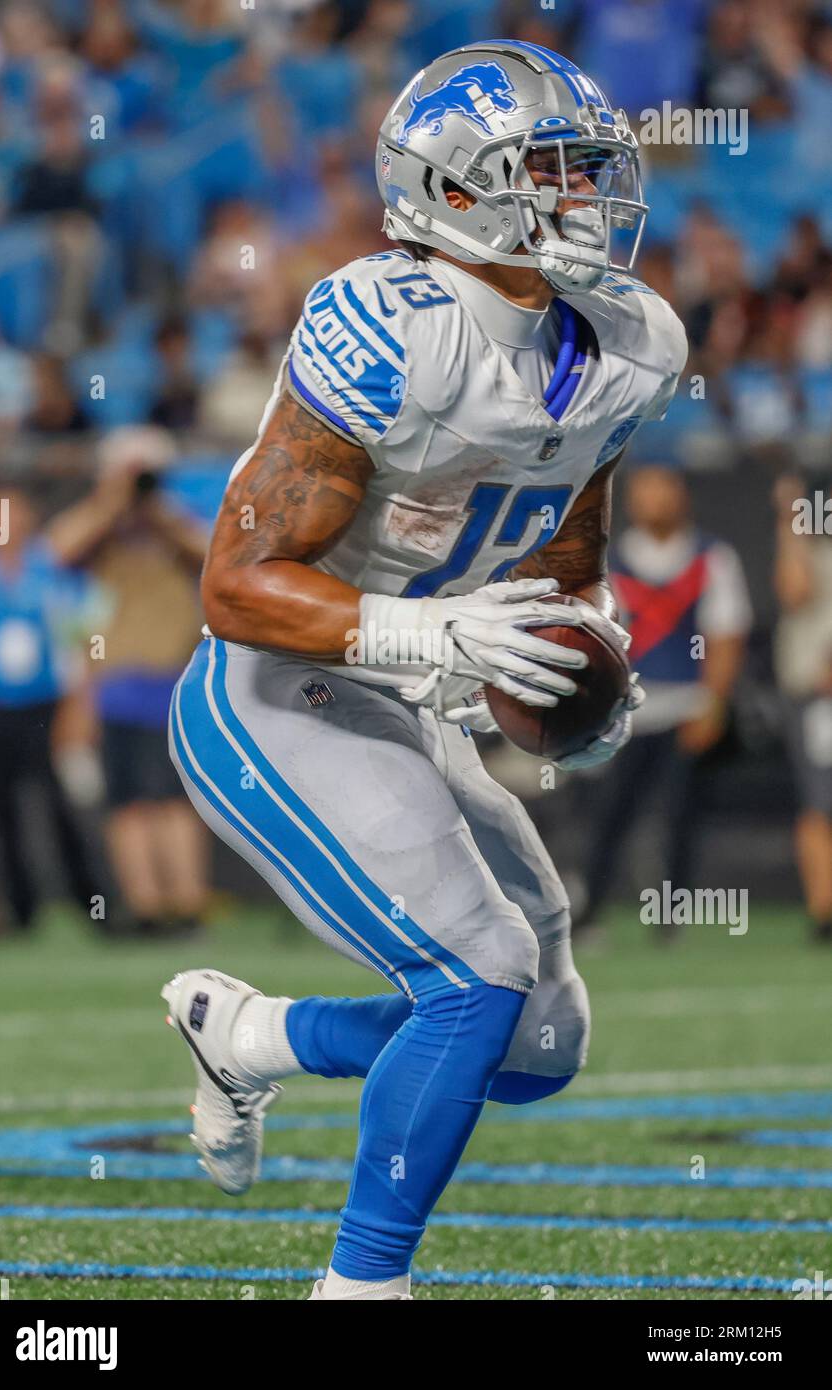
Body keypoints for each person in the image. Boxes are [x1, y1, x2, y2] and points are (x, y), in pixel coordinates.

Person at [160, 41, 687, 1300]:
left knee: (541, 1035)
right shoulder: (390, 324)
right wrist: (433, 634)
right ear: (449, 190)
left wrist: (584, 651)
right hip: (268, 690)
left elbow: (564, 537)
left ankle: (250, 1035)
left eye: (589, 167)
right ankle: (362, 1288)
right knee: (476, 973)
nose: (585, 196)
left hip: (399, 691)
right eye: (548, 170)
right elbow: (233, 587)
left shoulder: (630, 341)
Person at [574, 463, 752, 934]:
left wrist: (713, 704)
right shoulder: (610, 559)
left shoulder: (712, 557)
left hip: (686, 707)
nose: (655, 500)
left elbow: (725, 636)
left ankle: (671, 917)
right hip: (626, 712)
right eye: (645, 490)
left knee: (679, 817)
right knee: (610, 814)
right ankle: (590, 908)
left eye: (664, 489)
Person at [47, 426, 209, 937]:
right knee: (128, 802)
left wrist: (157, 509)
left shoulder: (175, 524)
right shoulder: (103, 530)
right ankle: (144, 909)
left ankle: (186, 907)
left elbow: (212, 554)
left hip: (172, 676)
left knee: (173, 800)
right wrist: (112, 501)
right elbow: (57, 550)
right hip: (117, 679)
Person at [0, 488, 104, 929]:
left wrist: (79, 705)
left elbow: (81, 640)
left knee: (62, 806)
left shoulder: (51, 571)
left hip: (49, 705)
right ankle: (18, 910)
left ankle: (96, 906)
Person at [774, 473, 832, 943]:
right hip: (817, 696)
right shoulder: (810, 549)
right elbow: (794, 592)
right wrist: (788, 518)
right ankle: (823, 912)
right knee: (819, 802)